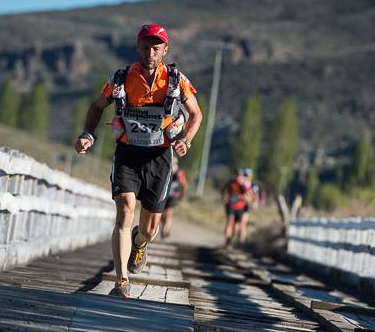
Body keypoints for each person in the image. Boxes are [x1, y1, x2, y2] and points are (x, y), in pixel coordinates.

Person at [74, 24, 202, 297]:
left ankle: (140, 243)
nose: (151, 53)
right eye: (146, 47)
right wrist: (88, 134)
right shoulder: (121, 78)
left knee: (150, 227)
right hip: (128, 153)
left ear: (165, 50)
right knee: (125, 209)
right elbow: (98, 106)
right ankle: (121, 281)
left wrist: (186, 140)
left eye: (157, 48)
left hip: (160, 156)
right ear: (138, 48)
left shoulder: (176, 80)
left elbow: (196, 114)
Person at [221, 168, 253, 248]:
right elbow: (224, 189)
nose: (239, 177)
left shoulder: (246, 184)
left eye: (240, 175)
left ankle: (230, 239)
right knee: (229, 222)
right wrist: (225, 196)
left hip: (240, 207)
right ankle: (227, 241)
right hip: (230, 204)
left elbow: (249, 196)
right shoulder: (231, 182)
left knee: (236, 226)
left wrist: (247, 199)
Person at [160, 157, 187, 239]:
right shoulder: (165, 168)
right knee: (161, 213)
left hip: (174, 195)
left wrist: (182, 195)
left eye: (174, 162)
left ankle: (165, 230)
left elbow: (184, 184)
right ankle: (164, 228)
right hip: (164, 194)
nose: (172, 164)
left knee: (169, 212)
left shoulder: (180, 172)